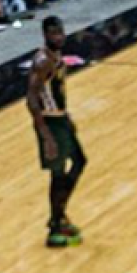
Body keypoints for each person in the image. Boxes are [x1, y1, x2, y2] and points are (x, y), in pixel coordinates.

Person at [29, 16, 86, 247]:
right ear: (45, 35)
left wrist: (66, 115)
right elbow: (31, 99)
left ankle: (59, 216)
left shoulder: (56, 56)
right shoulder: (43, 62)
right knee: (58, 174)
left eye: (60, 32)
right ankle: (54, 226)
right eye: (53, 33)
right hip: (49, 123)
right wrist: (46, 136)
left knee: (80, 161)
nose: (59, 36)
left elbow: (56, 92)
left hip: (60, 118)